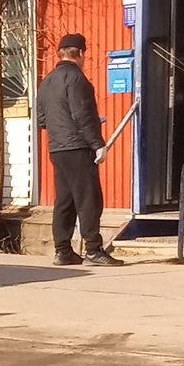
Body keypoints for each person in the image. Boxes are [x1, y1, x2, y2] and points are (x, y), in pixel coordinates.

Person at [39, 31, 118, 267]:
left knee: (65, 200)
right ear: (81, 53)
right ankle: (93, 250)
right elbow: (82, 115)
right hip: (78, 147)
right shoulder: (78, 80)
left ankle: (63, 250)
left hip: (57, 148)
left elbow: (42, 119)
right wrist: (98, 144)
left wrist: (61, 127)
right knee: (88, 199)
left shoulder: (46, 81)